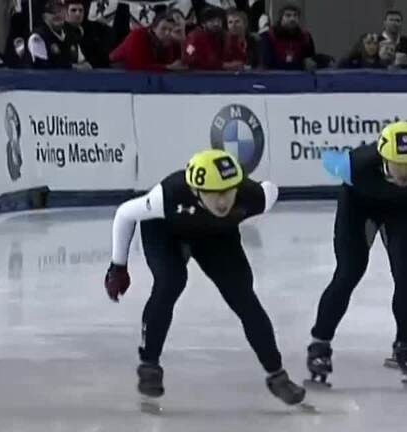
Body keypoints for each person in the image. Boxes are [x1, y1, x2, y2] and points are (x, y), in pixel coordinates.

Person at [103, 149, 306, 407]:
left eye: (228, 192)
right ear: (196, 191)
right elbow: (125, 213)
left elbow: (271, 189)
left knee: (243, 297)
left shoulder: (251, 197)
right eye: (213, 194)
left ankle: (277, 376)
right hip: (166, 231)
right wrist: (117, 266)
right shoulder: (168, 195)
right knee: (170, 282)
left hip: (216, 237)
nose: (222, 202)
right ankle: (149, 365)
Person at [307, 121, 407, 388]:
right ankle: (320, 343)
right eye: (397, 165)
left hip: (403, 211)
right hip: (358, 207)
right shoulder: (354, 165)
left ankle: (406, 345)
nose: (404, 173)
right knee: (349, 272)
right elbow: (327, 158)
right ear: (382, 158)